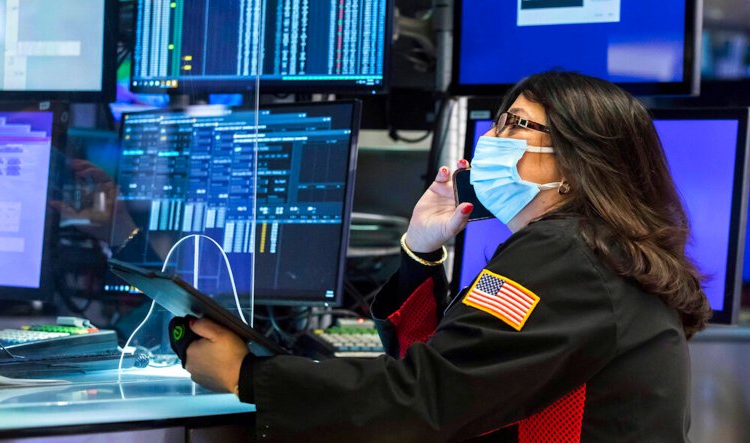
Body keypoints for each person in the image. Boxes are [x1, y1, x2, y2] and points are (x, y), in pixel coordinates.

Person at [183, 72, 711, 442]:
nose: (492, 138)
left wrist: (246, 375)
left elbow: (429, 401)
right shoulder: (591, 249)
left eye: (516, 124)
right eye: (498, 122)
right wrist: (421, 247)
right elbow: (459, 365)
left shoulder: (567, 254)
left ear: (578, 163)